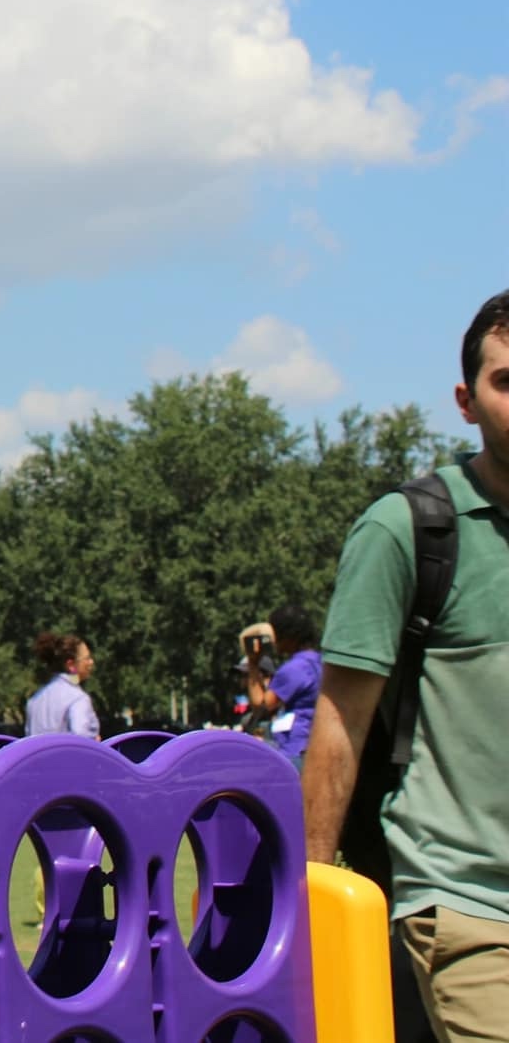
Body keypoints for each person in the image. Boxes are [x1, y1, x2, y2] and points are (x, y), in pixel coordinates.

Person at [304, 289, 509, 1042]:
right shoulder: (409, 530)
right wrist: (315, 903)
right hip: (468, 904)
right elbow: (340, 725)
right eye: (506, 382)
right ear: (466, 400)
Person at [242, 605, 320, 770]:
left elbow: (261, 707)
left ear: (289, 636)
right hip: (313, 746)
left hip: (294, 750)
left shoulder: (294, 668)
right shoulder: (318, 662)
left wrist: (253, 663)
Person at [25, 633, 100, 738]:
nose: (91, 662)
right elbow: (81, 739)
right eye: (87, 658)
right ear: (71, 665)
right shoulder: (77, 698)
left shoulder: (34, 700)